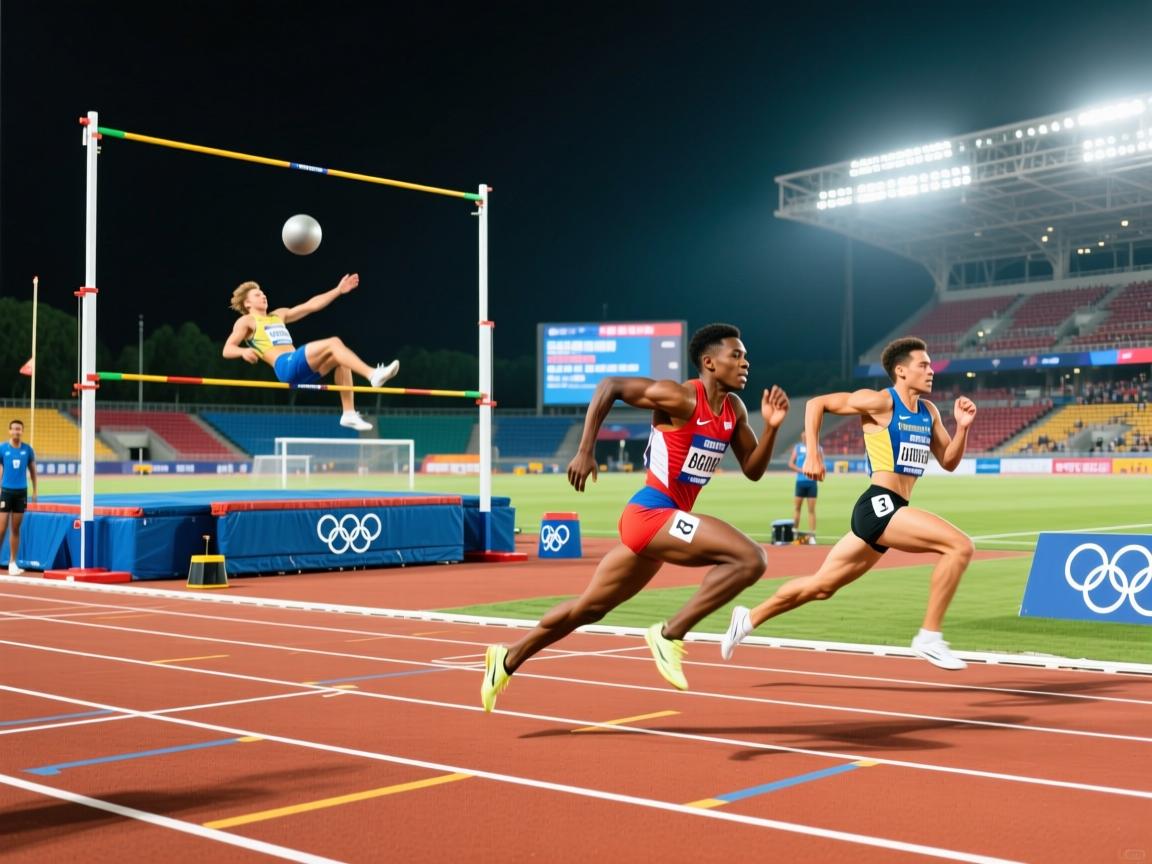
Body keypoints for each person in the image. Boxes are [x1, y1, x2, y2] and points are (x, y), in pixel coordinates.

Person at [481, 323, 790, 711]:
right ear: (709, 362)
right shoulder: (678, 397)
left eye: (745, 355)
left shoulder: (734, 411)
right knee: (750, 558)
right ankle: (669, 633)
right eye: (736, 355)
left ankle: (506, 659)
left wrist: (772, 429)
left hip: (666, 524)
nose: (745, 362)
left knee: (588, 609)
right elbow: (610, 385)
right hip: (649, 513)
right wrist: (584, 450)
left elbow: (753, 469)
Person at [722, 336, 977, 671]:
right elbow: (816, 404)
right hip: (880, 505)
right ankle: (929, 636)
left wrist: (962, 428)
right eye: (923, 364)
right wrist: (813, 453)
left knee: (821, 586)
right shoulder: (879, 402)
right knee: (960, 546)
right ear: (901, 371)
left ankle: (747, 618)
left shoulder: (928, 412)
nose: (932, 370)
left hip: (888, 510)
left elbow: (948, 460)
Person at [224, 273, 398, 431]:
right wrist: (243, 352)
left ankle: (349, 414)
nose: (263, 295)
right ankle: (372, 374)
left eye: (263, 292)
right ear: (247, 303)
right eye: (257, 294)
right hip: (285, 365)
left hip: (301, 370)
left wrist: (338, 290)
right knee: (334, 343)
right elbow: (227, 349)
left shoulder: (279, 315)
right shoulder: (247, 321)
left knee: (340, 358)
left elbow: (311, 305)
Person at [1, 419, 38, 575]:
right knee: (1, 528)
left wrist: (35, 490)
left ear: (22, 431)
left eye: (19, 429)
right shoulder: (3, 448)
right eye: (14, 429)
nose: (16, 431)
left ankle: (12, 563)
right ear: (10, 431)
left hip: (21, 493)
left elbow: (33, 472)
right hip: (6, 492)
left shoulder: (28, 450)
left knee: (15, 529)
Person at [787, 436, 823, 538]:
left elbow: (821, 464)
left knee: (811, 510)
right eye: (803, 436)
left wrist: (818, 473)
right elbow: (790, 463)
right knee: (797, 508)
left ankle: (812, 534)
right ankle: (794, 532)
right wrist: (802, 470)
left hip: (812, 483)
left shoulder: (817, 448)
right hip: (800, 482)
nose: (804, 438)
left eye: (806, 436)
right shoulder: (798, 448)